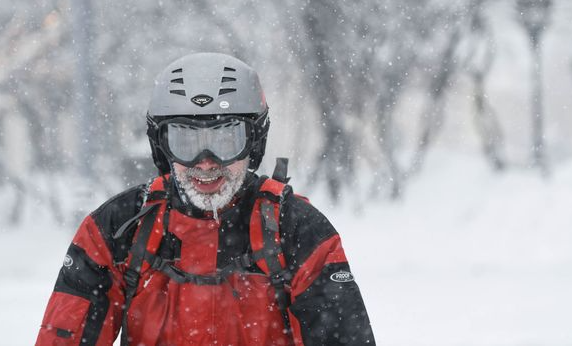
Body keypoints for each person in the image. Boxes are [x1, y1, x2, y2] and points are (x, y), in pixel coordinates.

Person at [36, 52, 375, 346]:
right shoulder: (118, 229)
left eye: (227, 139)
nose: (206, 161)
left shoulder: (296, 229)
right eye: (185, 141)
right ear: (160, 146)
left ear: (254, 142)